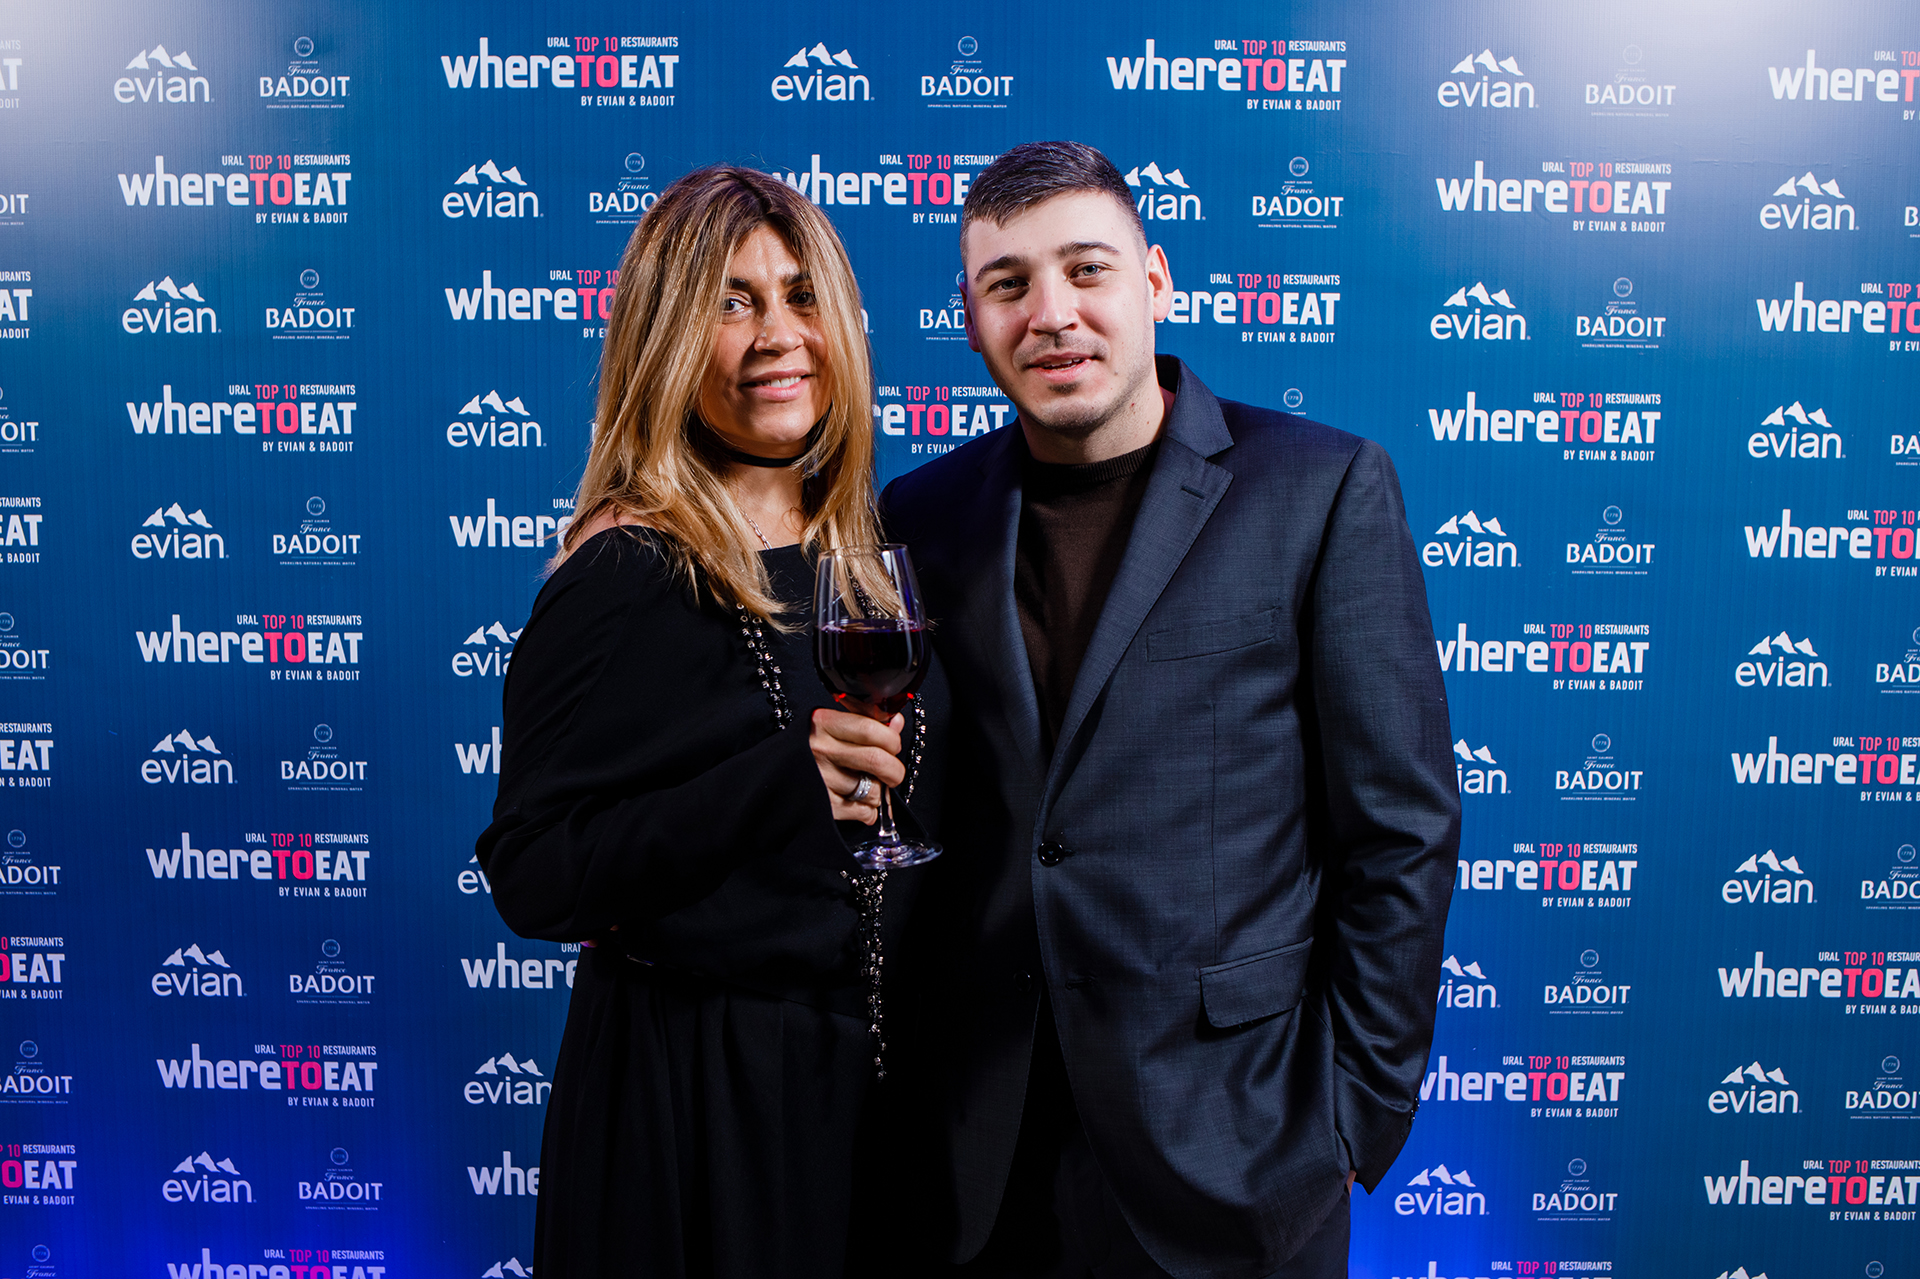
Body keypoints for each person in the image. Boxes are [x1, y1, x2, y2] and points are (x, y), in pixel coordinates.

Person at [881, 141, 1459, 1278]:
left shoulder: (1320, 486)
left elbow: (1401, 828)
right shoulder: (923, 513)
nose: (1051, 313)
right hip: (979, 1163)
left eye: (1086, 269)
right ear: (972, 320)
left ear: (1154, 281)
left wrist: (1355, 1114)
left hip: (1238, 1152)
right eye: (1008, 284)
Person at [476, 165, 947, 1278]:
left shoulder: (867, 551)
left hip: (860, 1096)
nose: (778, 334)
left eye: (800, 295)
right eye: (733, 301)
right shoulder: (626, 567)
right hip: (697, 1108)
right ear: (668, 338)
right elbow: (532, 873)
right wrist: (777, 785)